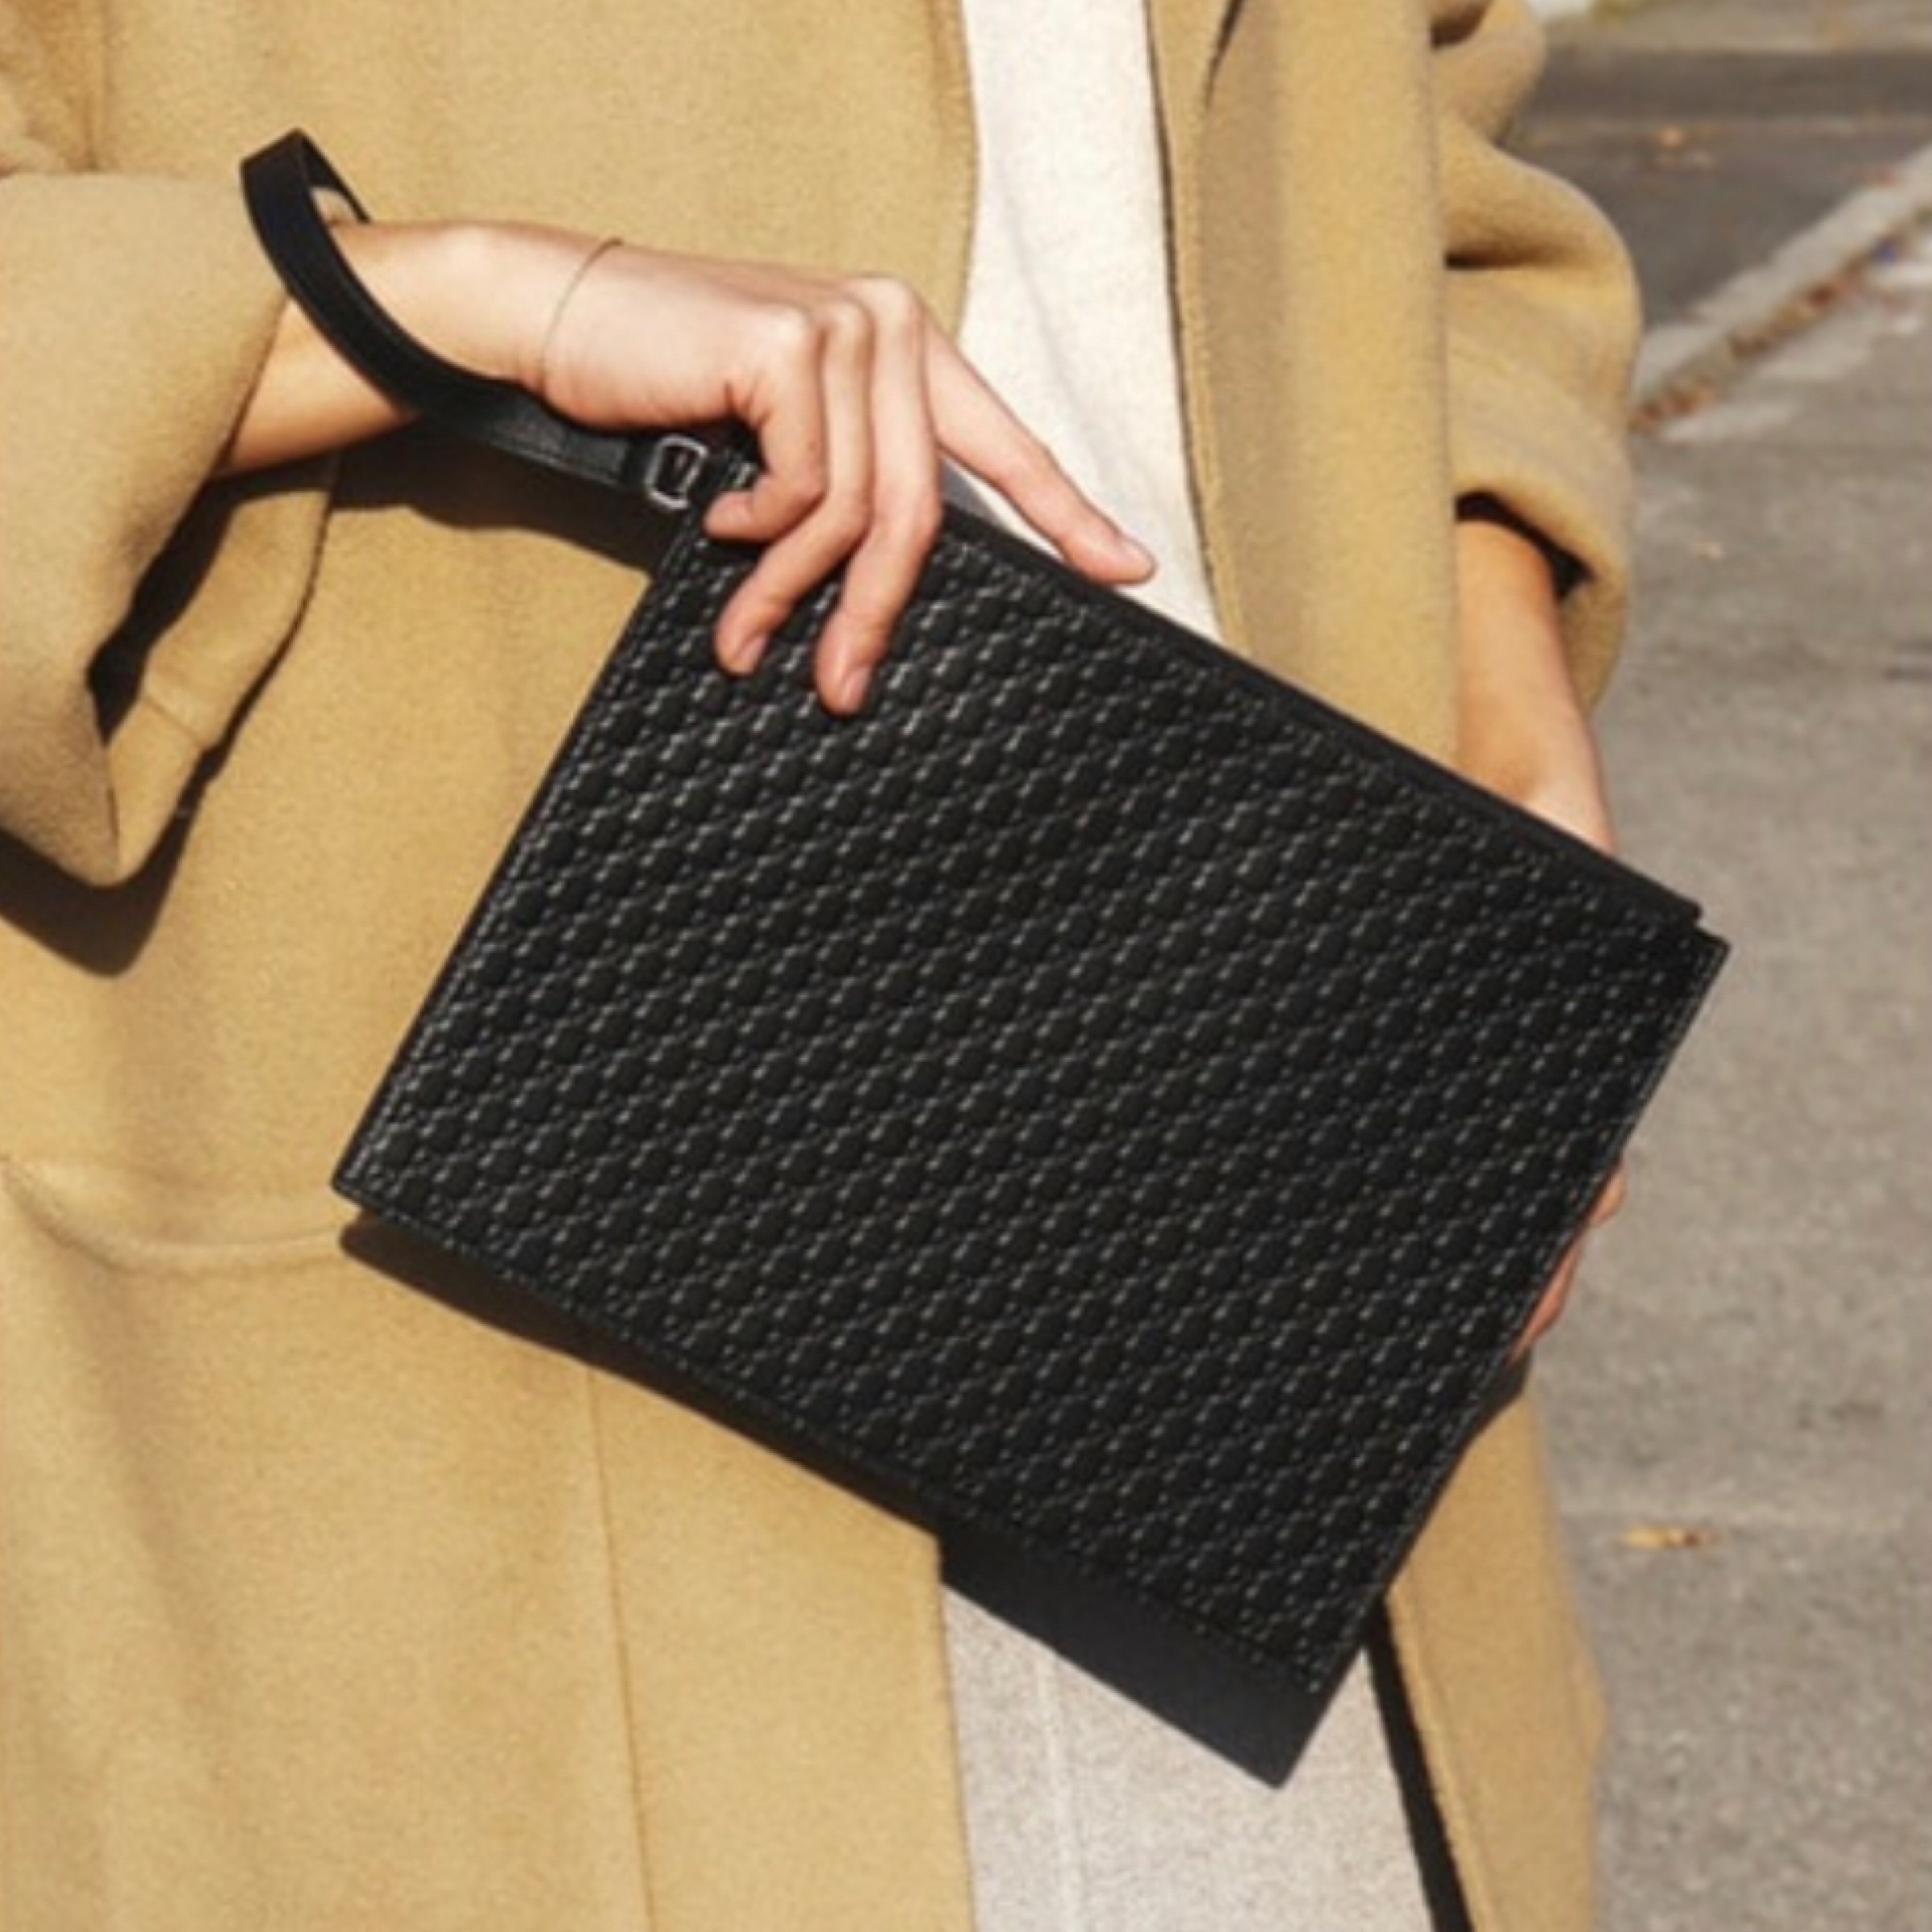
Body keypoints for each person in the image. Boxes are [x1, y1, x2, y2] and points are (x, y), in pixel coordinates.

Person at [0, 1, 1638, 1927]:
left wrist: (1498, 687)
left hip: (1261, 1095)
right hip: (468, 1259)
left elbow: (1420, 137)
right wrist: (443, 298)